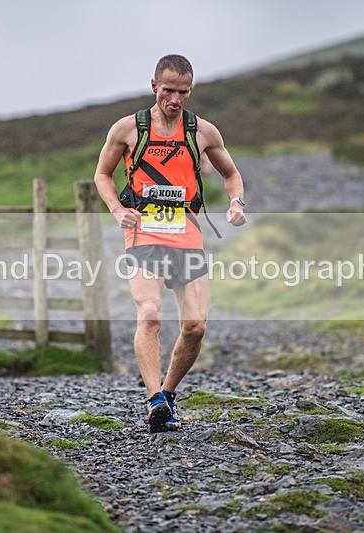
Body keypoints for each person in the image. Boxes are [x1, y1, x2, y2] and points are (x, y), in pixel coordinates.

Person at [93, 54, 247, 432]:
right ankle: (154, 401)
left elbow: (231, 174)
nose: (175, 100)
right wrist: (116, 210)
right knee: (150, 313)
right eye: (168, 91)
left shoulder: (203, 131)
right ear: (153, 87)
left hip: (187, 230)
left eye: (183, 92)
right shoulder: (129, 129)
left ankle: (168, 393)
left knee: (195, 327)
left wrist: (236, 202)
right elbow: (101, 175)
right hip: (143, 227)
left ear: (190, 91)